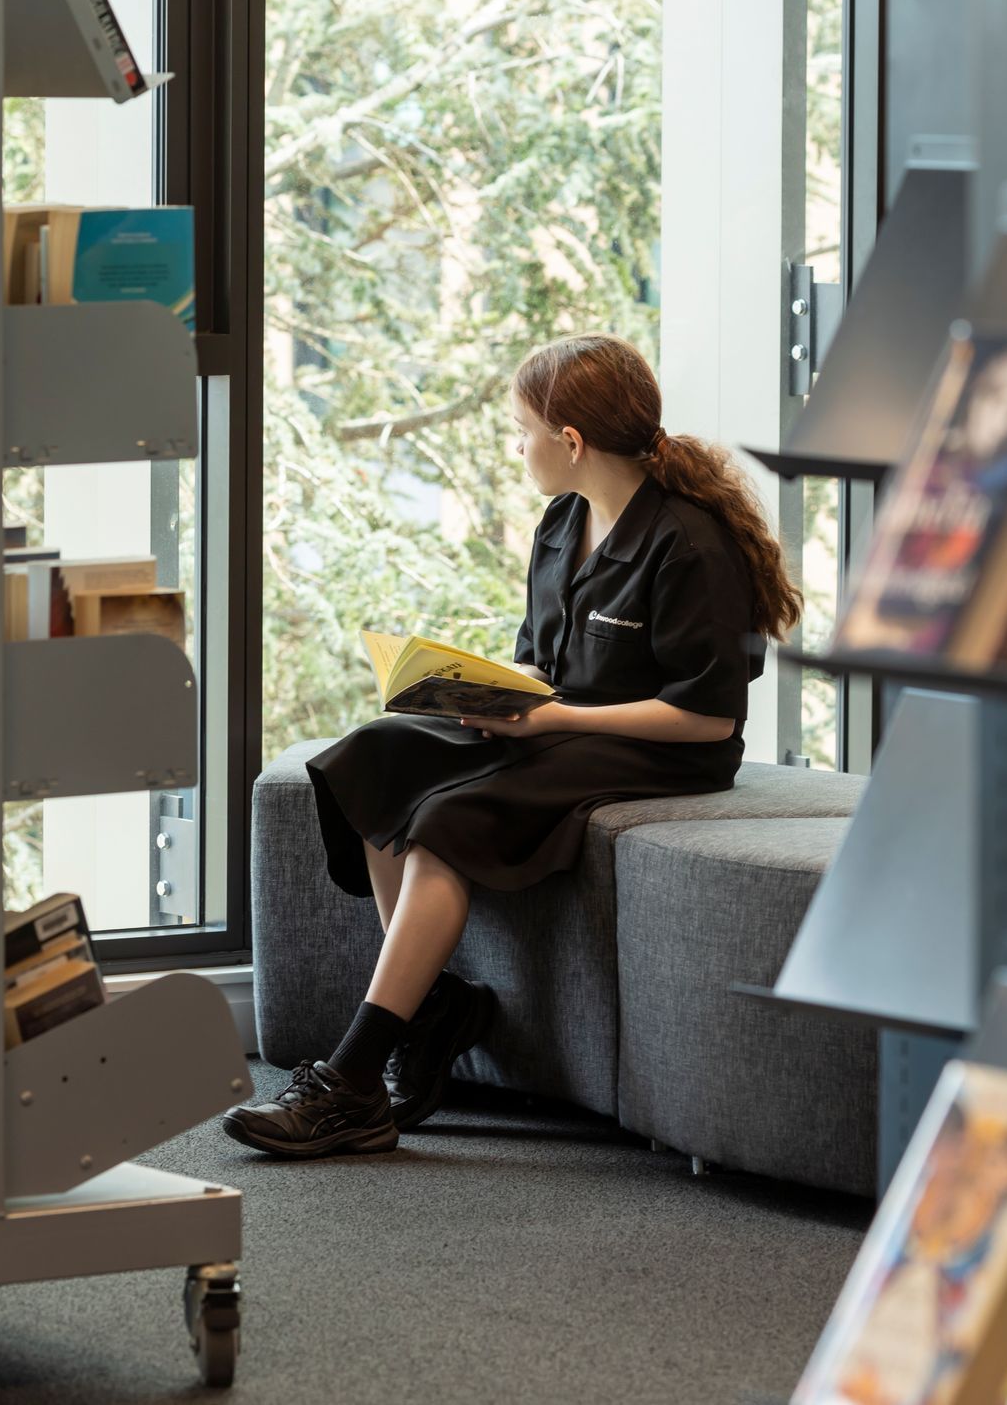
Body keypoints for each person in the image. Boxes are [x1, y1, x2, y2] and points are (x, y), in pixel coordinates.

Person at [222, 334, 802, 1158]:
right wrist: (482, 692)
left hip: (658, 749)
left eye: (522, 428)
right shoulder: (564, 519)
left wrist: (555, 719)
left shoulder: (688, 543)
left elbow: (707, 718)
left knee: (446, 818)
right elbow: (543, 658)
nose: (517, 446)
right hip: (561, 721)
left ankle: (353, 1082)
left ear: (571, 441)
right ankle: (433, 1011)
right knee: (372, 756)